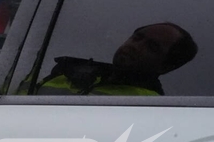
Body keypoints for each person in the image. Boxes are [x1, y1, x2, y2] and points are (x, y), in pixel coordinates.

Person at [37, 23, 198, 95]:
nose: (135, 46)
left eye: (152, 47)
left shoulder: (148, 107)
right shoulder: (66, 71)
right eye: (136, 38)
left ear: (166, 67)